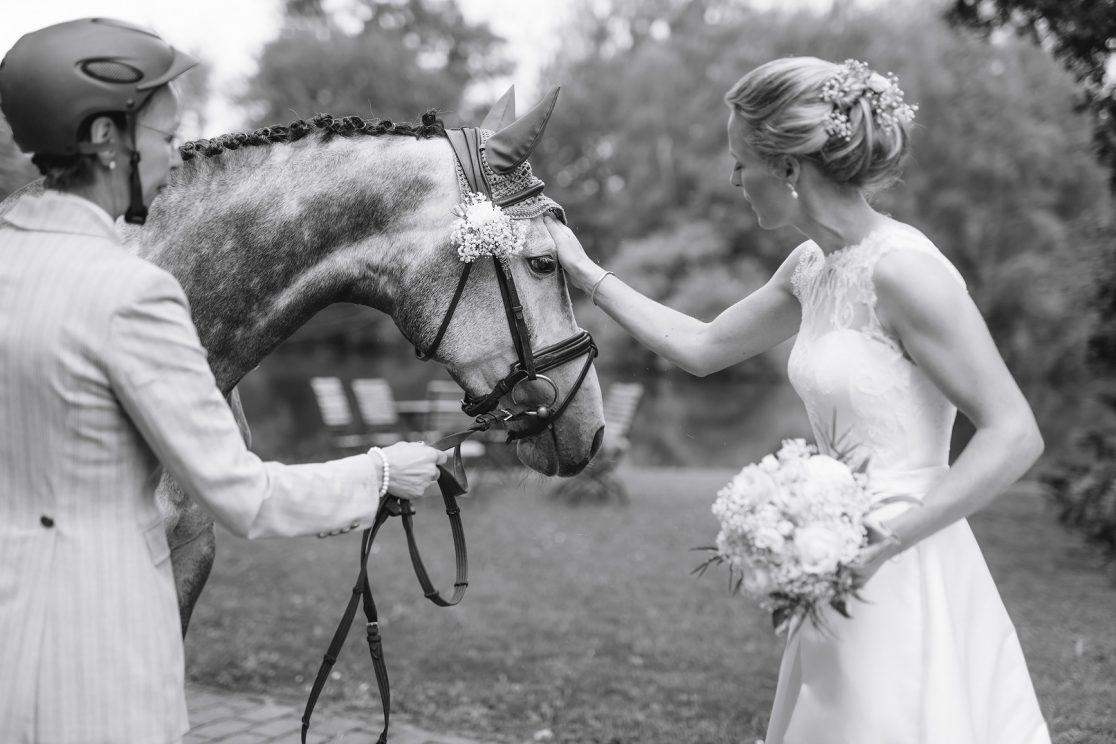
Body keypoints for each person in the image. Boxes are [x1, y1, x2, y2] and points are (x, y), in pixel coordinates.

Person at [546, 57, 1051, 744]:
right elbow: (700, 347)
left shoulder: (905, 271)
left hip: (903, 560)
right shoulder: (810, 268)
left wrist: (880, 543)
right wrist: (582, 270)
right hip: (827, 560)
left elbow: (1014, 432)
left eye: (739, 163)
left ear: (787, 169)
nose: (733, 180)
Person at [0, 18, 447, 744]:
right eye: (165, 137)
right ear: (107, 139)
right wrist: (382, 472)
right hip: (98, 653)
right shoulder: (130, 293)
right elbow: (240, 496)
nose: (175, 159)